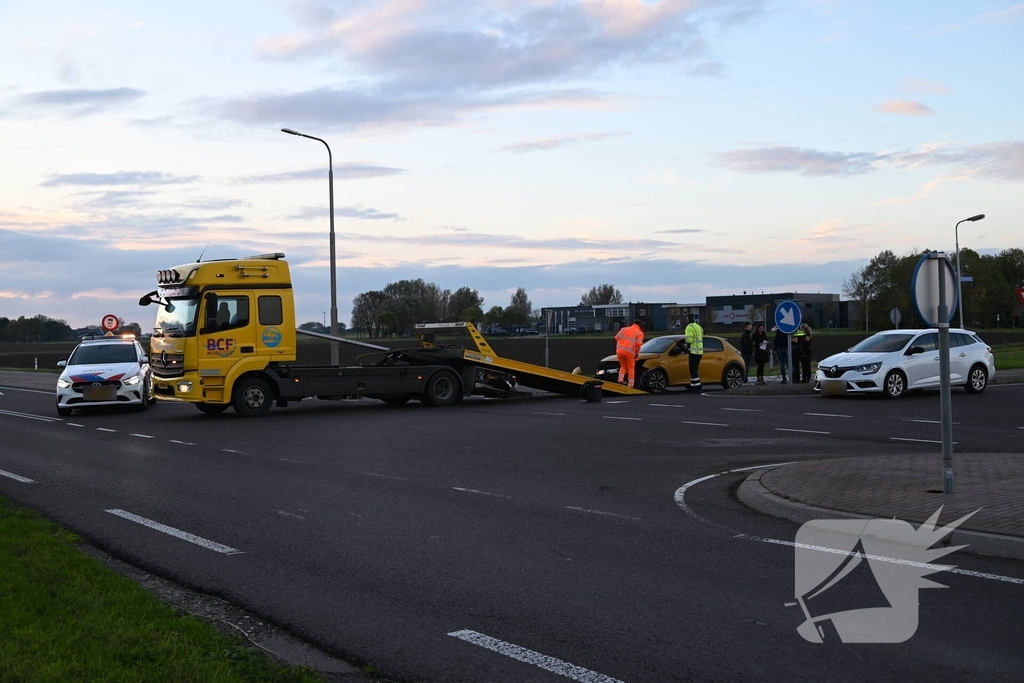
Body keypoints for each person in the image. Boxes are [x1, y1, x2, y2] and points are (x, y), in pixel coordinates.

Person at [614, 319, 644, 388]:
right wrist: (637, 354)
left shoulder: (624, 329)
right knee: (631, 368)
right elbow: (638, 345)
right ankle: (631, 384)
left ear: (633, 323)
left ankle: (620, 379)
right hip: (629, 353)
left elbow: (616, 337)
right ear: (640, 326)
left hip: (619, 351)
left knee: (623, 366)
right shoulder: (639, 333)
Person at [683, 313, 704, 393]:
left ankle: (698, 387)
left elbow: (689, 340)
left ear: (687, 318)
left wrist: (684, 340)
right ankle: (693, 386)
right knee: (695, 369)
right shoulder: (699, 327)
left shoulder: (689, 327)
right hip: (700, 351)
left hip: (693, 351)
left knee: (693, 370)